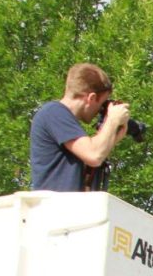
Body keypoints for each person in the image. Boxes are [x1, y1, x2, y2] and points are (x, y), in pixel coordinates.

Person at [30, 63, 131, 191]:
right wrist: (112, 120)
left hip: (72, 207)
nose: (100, 110)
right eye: (101, 103)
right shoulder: (53, 112)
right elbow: (93, 155)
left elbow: (92, 162)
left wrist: (114, 136)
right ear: (91, 98)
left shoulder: (65, 120)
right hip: (54, 208)